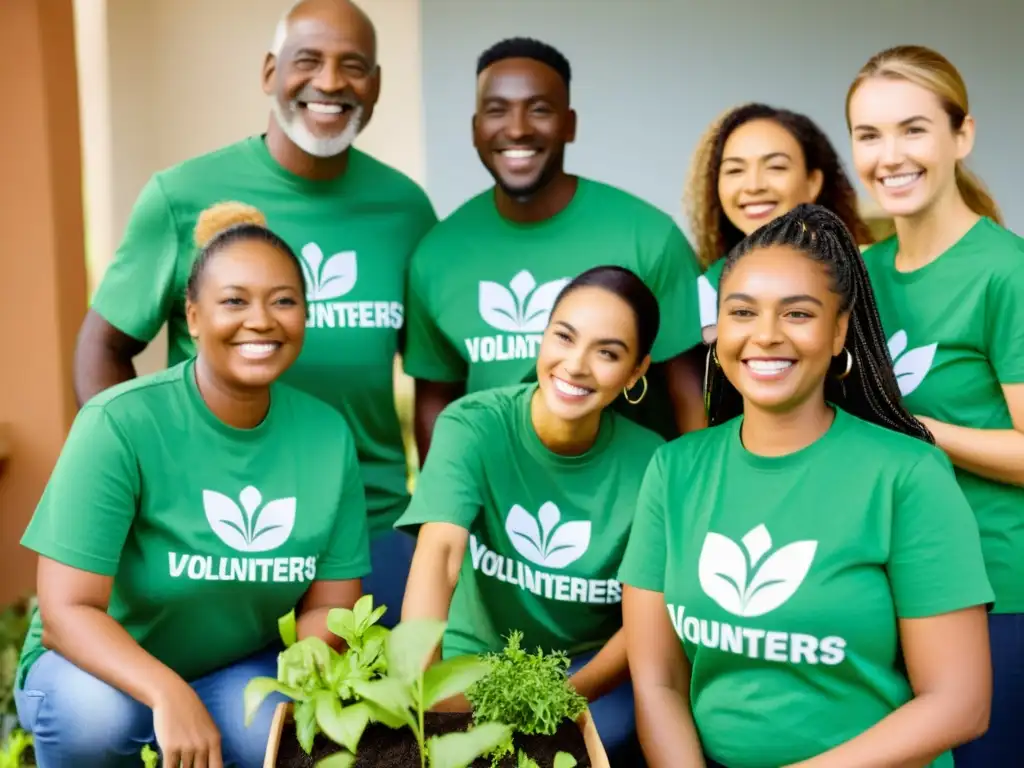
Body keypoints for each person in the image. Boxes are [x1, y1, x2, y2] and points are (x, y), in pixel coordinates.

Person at [71, 0, 436, 628]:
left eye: (353, 66)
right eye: (308, 61)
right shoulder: (182, 196)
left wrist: (433, 516)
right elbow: (102, 349)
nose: (329, 82)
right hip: (208, 533)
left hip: (366, 529)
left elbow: (435, 377)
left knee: (377, 721)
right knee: (215, 708)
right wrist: (143, 482)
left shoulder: (404, 210)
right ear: (270, 72)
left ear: (374, 85)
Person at [619, 204, 994, 768]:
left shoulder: (908, 475)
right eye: (742, 312)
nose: (765, 336)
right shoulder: (673, 471)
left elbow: (959, 704)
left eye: (797, 314)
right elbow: (658, 683)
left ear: (839, 329)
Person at [14, 203, 371, 768]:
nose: (261, 319)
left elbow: (331, 606)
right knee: (94, 717)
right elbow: (66, 611)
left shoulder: (327, 437)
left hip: (229, 670)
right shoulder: (121, 422)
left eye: (283, 301)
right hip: (96, 669)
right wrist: (166, 691)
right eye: (234, 300)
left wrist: (300, 674)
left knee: (276, 730)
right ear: (193, 316)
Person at [397, 266, 666, 764]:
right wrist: (424, 695)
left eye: (607, 352)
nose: (577, 365)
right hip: (473, 658)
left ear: (636, 372)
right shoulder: (474, 425)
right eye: (564, 337)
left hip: (587, 671)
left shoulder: (656, 464)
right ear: (542, 336)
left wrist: (559, 699)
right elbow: (440, 557)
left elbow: (645, 622)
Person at [847, 45, 1024, 767]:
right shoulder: (859, 273)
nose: (890, 155)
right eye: (869, 134)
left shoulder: (1005, 272)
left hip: (995, 595)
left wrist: (915, 428)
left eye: (913, 129)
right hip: (883, 589)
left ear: (963, 136)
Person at [403, 37, 706, 455]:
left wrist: (695, 502)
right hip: (493, 503)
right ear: (476, 128)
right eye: (497, 111)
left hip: (626, 503)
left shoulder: (649, 238)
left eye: (540, 109)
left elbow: (690, 395)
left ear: (570, 124)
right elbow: (436, 397)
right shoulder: (436, 256)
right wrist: (447, 506)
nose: (518, 128)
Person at [685, 103, 875, 329]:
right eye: (735, 170)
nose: (753, 186)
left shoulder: (869, 270)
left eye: (775, 167)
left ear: (813, 182)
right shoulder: (708, 289)